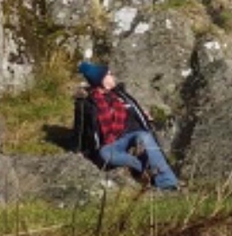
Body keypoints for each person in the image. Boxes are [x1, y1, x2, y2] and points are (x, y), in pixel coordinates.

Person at [75, 61, 180, 191]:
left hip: (133, 134)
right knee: (105, 154)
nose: (113, 76)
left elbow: (137, 111)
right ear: (102, 81)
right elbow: (80, 130)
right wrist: (78, 150)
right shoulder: (88, 103)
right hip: (111, 142)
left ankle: (167, 182)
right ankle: (143, 169)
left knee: (144, 137)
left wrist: (145, 117)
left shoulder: (121, 94)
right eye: (109, 74)